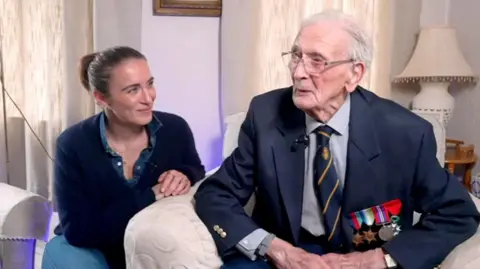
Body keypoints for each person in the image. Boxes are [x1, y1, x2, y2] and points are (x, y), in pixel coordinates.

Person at [194, 10, 480, 269]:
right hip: (284, 250)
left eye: (317, 61)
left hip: (366, 251)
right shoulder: (266, 114)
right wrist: (273, 248)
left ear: (354, 74)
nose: (298, 72)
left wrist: (382, 258)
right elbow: (216, 193)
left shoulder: (405, 132)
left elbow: (457, 213)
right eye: (296, 56)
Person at [42, 46, 205, 269]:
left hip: (148, 246)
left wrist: (184, 175)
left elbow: (196, 168)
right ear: (101, 98)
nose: (148, 98)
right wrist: (149, 196)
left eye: (150, 83)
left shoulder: (175, 129)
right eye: (133, 90)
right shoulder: (72, 144)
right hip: (87, 247)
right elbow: (77, 230)